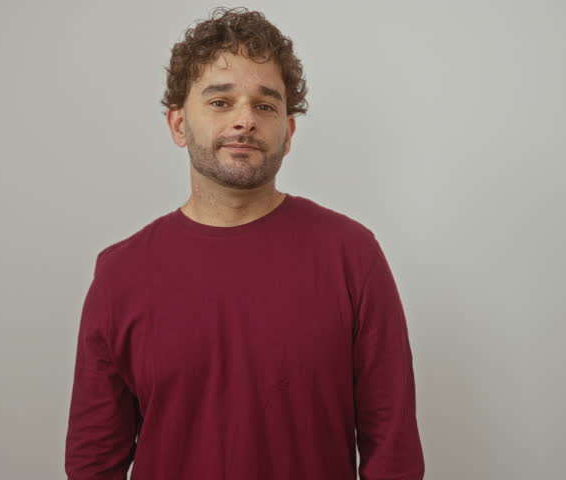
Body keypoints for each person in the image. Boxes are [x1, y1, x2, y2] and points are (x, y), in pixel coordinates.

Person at [64, 6, 424, 480]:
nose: (244, 121)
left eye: (265, 105)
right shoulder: (120, 273)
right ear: (177, 124)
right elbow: (93, 460)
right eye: (220, 101)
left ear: (288, 132)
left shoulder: (352, 256)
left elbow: (392, 449)